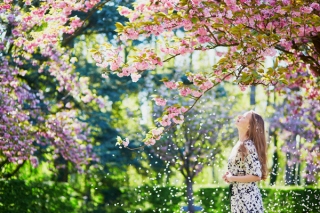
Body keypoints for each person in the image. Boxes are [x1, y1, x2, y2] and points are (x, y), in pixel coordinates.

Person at [222, 110, 267, 213]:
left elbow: (256, 175)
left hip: (248, 201)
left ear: (249, 127)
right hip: (239, 199)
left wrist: (232, 178)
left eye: (244, 117)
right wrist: (230, 176)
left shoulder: (248, 146)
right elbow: (243, 171)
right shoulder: (239, 144)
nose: (239, 117)